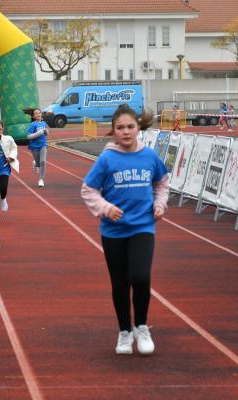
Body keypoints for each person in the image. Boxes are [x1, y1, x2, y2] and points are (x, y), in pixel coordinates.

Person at [81, 104, 169, 356]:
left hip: (143, 227)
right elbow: (88, 189)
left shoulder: (150, 156)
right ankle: (124, 332)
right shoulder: (107, 159)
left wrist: (160, 204)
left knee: (140, 277)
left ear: (138, 127)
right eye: (120, 128)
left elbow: (162, 183)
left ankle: (141, 326)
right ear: (113, 131)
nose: (126, 132)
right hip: (113, 231)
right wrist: (106, 208)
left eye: (130, 126)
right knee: (120, 283)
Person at [26, 108, 49, 188]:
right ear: (33, 116)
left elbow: (46, 134)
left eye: (39, 113)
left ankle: (41, 179)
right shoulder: (33, 124)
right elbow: (28, 136)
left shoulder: (44, 123)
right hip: (34, 146)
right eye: (36, 113)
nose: (38, 114)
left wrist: (45, 132)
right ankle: (35, 163)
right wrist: (38, 133)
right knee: (38, 163)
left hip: (43, 145)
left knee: (43, 162)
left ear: (41, 114)